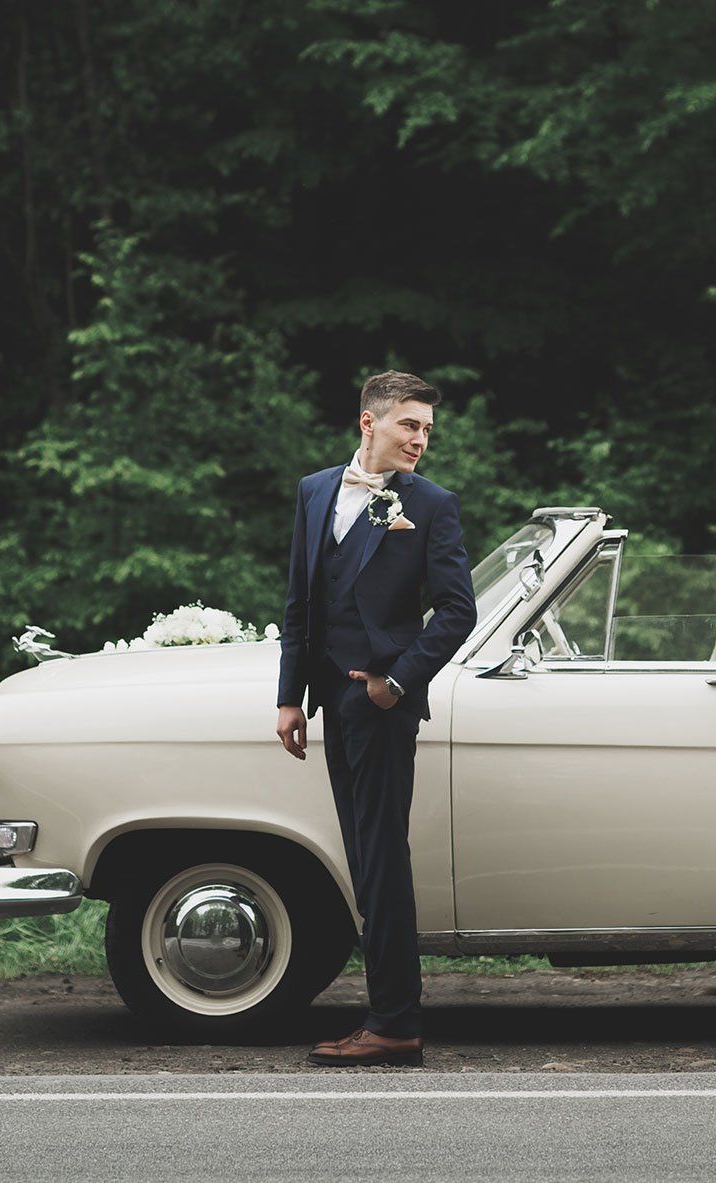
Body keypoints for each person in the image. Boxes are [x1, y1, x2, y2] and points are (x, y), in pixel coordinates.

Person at [274, 370, 478, 1068]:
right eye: (409, 425)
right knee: (363, 859)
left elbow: (456, 611)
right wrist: (290, 696)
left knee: (383, 859)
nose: (421, 439)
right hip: (330, 698)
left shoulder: (432, 504)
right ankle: (390, 1015)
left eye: (427, 429)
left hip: (381, 704)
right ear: (370, 421)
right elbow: (300, 601)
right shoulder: (314, 490)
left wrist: (395, 683)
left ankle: (395, 1022)